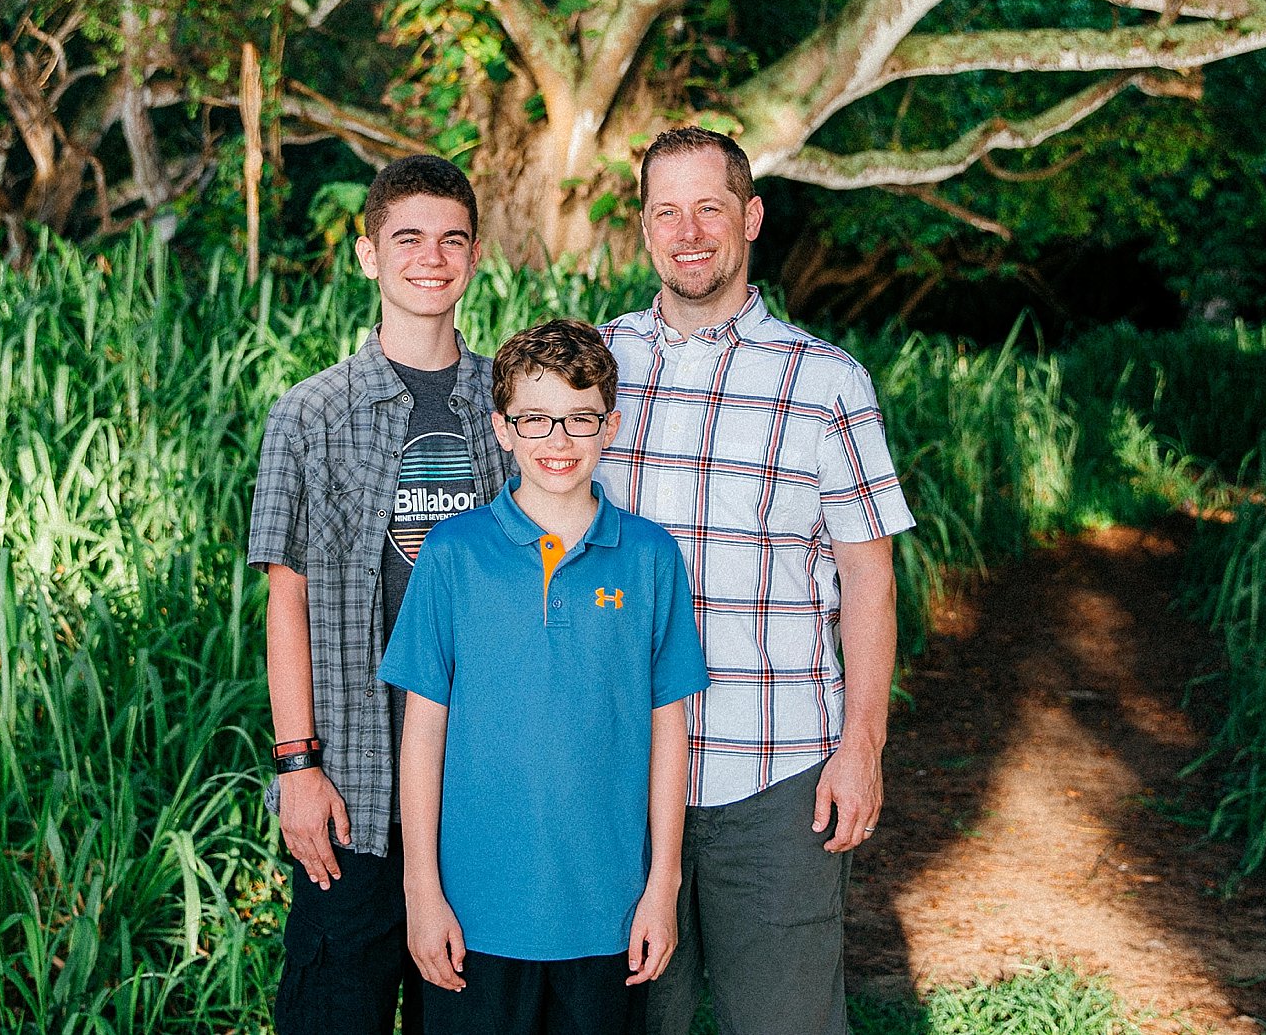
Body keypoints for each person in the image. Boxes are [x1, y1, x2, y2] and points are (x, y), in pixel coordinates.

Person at [599, 126, 916, 1035]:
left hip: (775, 772)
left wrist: (862, 746)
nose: (688, 230)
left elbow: (870, 582)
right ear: (645, 225)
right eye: (667, 210)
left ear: (752, 216)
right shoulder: (596, 369)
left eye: (710, 207)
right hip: (621, 771)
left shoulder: (825, 382)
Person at [246, 154, 517, 1035]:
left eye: (451, 239)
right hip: (354, 789)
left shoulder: (509, 407)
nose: (430, 258)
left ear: (474, 256)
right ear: (368, 254)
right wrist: (298, 766)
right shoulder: (310, 413)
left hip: (476, 788)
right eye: (407, 238)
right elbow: (284, 596)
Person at [381, 319, 709, 1035]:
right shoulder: (453, 553)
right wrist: (422, 890)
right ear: (503, 429)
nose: (558, 440)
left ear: (610, 424)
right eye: (535, 419)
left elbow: (668, 731)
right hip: (474, 915)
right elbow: (423, 730)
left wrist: (663, 887)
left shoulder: (650, 558)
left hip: (607, 913)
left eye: (579, 417)